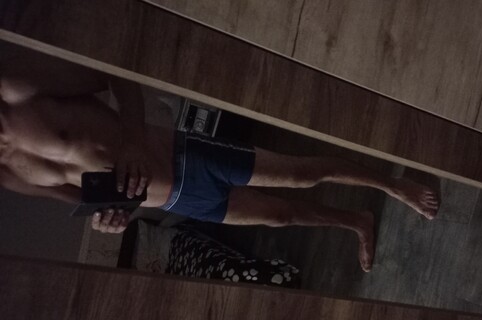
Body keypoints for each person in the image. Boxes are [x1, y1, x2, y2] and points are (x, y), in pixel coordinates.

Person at [0, 50, 439, 272]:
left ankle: (393, 184)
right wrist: (112, 219)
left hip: (182, 156)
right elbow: (77, 196)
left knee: (300, 175)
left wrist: (132, 141)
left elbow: (115, 72)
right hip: (172, 200)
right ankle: (356, 221)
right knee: (279, 217)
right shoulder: (8, 175)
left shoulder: (17, 91)